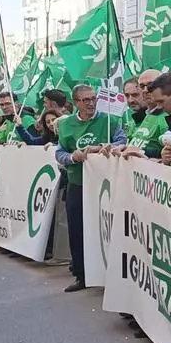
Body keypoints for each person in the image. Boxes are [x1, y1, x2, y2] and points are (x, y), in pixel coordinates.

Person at [55, 83, 125, 292]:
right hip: (78, 183)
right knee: (77, 230)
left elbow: (122, 141)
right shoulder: (66, 125)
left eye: (93, 98)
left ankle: (110, 274)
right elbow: (59, 154)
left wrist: (110, 147)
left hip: (106, 184)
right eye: (85, 100)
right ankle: (81, 275)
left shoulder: (109, 120)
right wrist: (72, 157)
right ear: (76, 102)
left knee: (106, 227)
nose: (91, 103)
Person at [124, 69, 169, 158]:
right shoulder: (146, 116)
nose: (145, 90)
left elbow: (170, 155)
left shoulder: (168, 117)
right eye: (141, 86)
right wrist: (122, 148)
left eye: (151, 85)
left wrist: (142, 152)